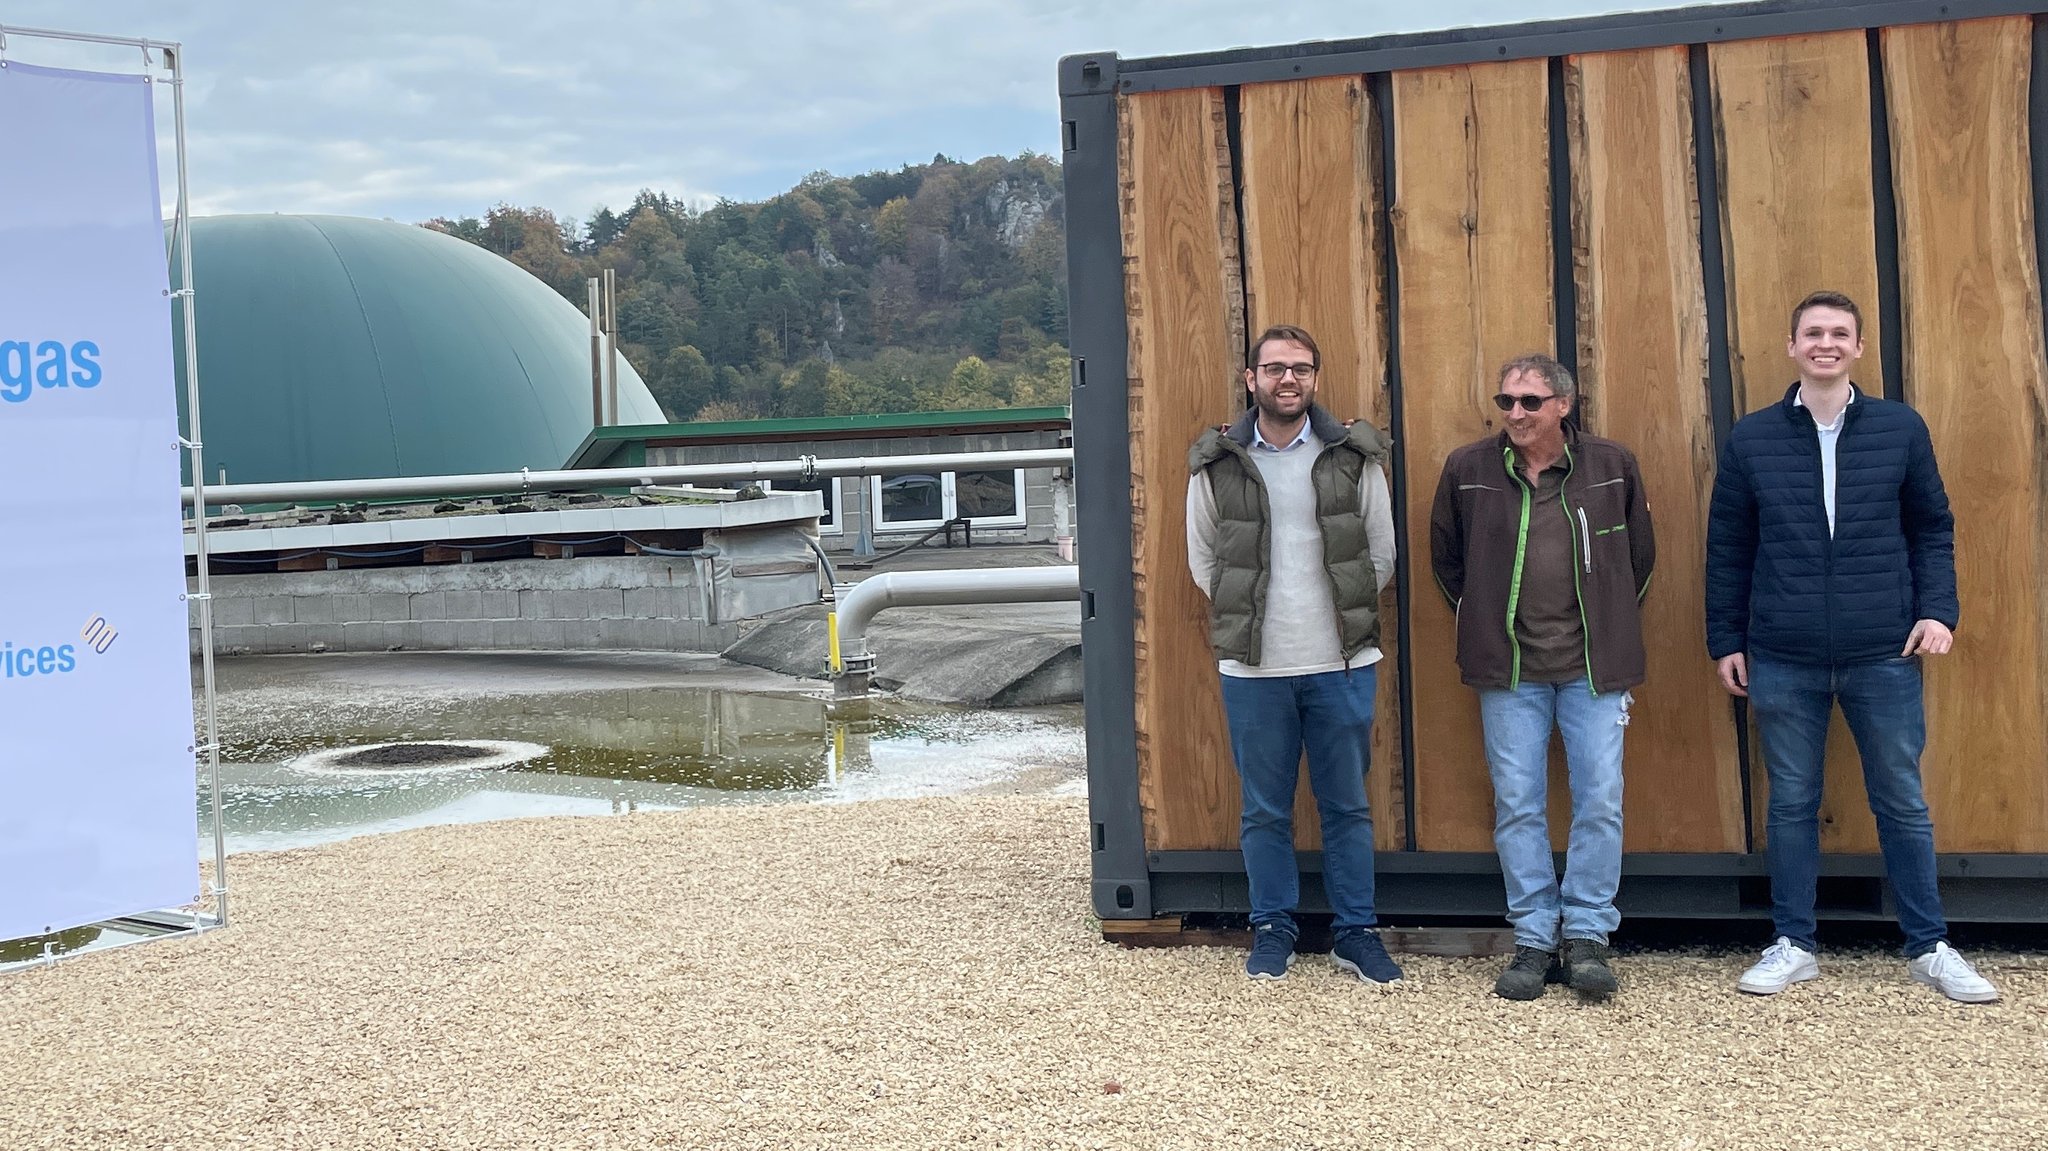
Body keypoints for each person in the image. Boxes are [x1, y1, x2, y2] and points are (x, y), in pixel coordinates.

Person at [1706, 290, 1998, 1003]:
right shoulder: (1753, 437)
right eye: (1813, 333)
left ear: (1859, 348)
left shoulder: (1899, 428)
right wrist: (1725, 638)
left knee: (1901, 798)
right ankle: (1793, 942)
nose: (1826, 343)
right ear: (1792, 346)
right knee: (1792, 801)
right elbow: (1728, 547)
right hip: (1781, 651)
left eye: (1839, 333)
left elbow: (1933, 524)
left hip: (1883, 650)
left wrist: (1939, 610)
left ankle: (1929, 944)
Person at [1429, 353, 1654, 1001]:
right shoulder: (1469, 470)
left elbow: (1640, 558)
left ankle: (1586, 935)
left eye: (1529, 401)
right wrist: (1482, 622)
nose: (1516, 414)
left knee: (1600, 799)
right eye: (1506, 402)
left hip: (1594, 668)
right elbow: (1449, 561)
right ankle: (1532, 936)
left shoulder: (1611, 466)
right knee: (1518, 804)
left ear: (1563, 404)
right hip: (1511, 672)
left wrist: (1608, 621)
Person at [1185, 324, 1402, 984]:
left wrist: (1335, 619)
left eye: (1301, 368)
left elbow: (1381, 553)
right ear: (1251, 379)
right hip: (1254, 668)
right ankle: (1273, 926)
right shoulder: (1217, 463)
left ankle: (1355, 931)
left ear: (1314, 378)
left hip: (1341, 662)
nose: (1288, 378)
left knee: (1347, 806)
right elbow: (1202, 560)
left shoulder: (1352, 457)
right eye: (1275, 368)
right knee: (1264, 809)